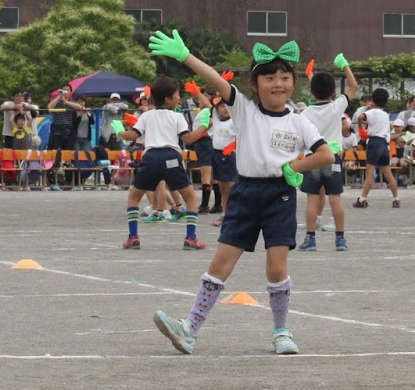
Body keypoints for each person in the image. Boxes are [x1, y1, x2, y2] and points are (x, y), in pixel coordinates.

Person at [147, 32, 333, 356]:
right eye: (270, 77)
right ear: (255, 83)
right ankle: (189, 329)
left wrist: (297, 167)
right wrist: (185, 56)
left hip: (281, 197)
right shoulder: (245, 110)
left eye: (285, 77)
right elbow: (217, 81)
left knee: (277, 268)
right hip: (245, 192)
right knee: (220, 263)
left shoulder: (298, 122)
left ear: (294, 82)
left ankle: (281, 331)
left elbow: (326, 154)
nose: (278, 84)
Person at [119, 77, 206, 250]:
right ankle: (190, 238)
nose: (179, 99)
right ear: (167, 99)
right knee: (190, 198)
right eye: (177, 95)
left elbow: (132, 136)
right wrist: (204, 126)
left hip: (150, 157)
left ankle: (133, 237)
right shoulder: (177, 116)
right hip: (171, 157)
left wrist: (120, 131)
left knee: (134, 196)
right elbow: (188, 139)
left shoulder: (146, 116)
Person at [297, 55, 358, 252]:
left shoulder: (305, 113)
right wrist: (345, 65)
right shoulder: (337, 106)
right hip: (332, 157)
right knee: (335, 198)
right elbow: (353, 87)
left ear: (312, 94)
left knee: (312, 199)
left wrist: (311, 76)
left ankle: (311, 239)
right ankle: (340, 239)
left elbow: (318, 94)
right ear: (333, 92)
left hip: (312, 158)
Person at [353, 88, 400, 209]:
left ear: (373, 100)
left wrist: (361, 129)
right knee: (388, 174)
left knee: (369, 174)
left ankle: (363, 198)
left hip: (374, 142)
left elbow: (359, 117)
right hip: (384, 143)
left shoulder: (372, 112)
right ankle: (396, 198)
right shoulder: (385, 115)